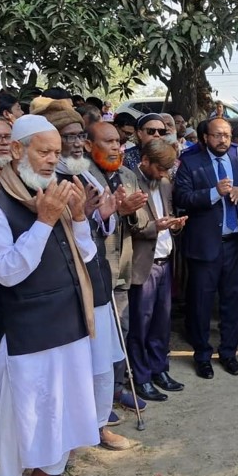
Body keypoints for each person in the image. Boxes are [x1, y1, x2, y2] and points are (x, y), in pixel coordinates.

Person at [0, 114, 99, 476]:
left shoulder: (52, 189)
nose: (53, 159)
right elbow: (5, 270)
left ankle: (45, 473)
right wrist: (46, 221)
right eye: (44, 151)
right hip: (24, 325)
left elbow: (84, 258)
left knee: (63, 403)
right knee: (18, 413)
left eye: (55, 152)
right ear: (16, 150)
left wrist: (78, 217)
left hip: (68, 317)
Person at [44, 103, 133, 451]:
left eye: (79, 134)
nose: (77, 142)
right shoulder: (50, 178)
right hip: (66, 281)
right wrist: (87, 215)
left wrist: (107, 213)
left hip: (96, 275)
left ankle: (98, 424)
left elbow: (99, 224)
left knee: (101, 358)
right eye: (68, 137)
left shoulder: (86, 172)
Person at [174, 117, 238, 378]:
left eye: (227, 135)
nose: (223, 140)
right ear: (205, 138)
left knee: (232, 302)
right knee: (201, 303)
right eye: (217, 135)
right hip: (205, 246)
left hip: (235, 245)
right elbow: (181, 198)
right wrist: (214, 192)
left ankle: (229, 353)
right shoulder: (190, 163)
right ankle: (202, 355)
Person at [84, 118, 149, 415]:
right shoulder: (82, 177)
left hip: (121, 269)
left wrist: (129, 213)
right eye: (108, 142)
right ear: (88, 145)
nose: (115, 148)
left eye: (118, 143)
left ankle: (117, 389)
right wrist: (112, 213)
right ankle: (94, 401)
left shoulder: (127, 175)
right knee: (95, 340)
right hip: (92, 273)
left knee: (120, 331)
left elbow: (141, 223)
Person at [128, 139, 188, 397]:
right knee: (140, 324)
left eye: (168, 169)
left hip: (165, 260)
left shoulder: (164, 183)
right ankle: (141, 377)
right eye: (160, 168)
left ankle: (159, 369)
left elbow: (168, 213)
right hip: (144, 264)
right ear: (144, 161)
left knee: (161, 323)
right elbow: (128, 226)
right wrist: (157, 227)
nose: (165, 174)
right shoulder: (129, 183)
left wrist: (175, 224)